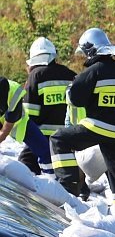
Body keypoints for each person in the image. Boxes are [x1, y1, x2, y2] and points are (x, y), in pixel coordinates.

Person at [49, 28, 115, 204]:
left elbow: (75, 100)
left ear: (90, 50)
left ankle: (68, 188)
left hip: (95, 127)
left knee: (59, 138)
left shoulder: (92, 72)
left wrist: (71, 91)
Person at [19, 37, 75, 175]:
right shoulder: (71, 74)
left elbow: (28, 113)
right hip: (67, 137)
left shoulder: (35, 75)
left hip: (41, 136)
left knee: (25, 166)